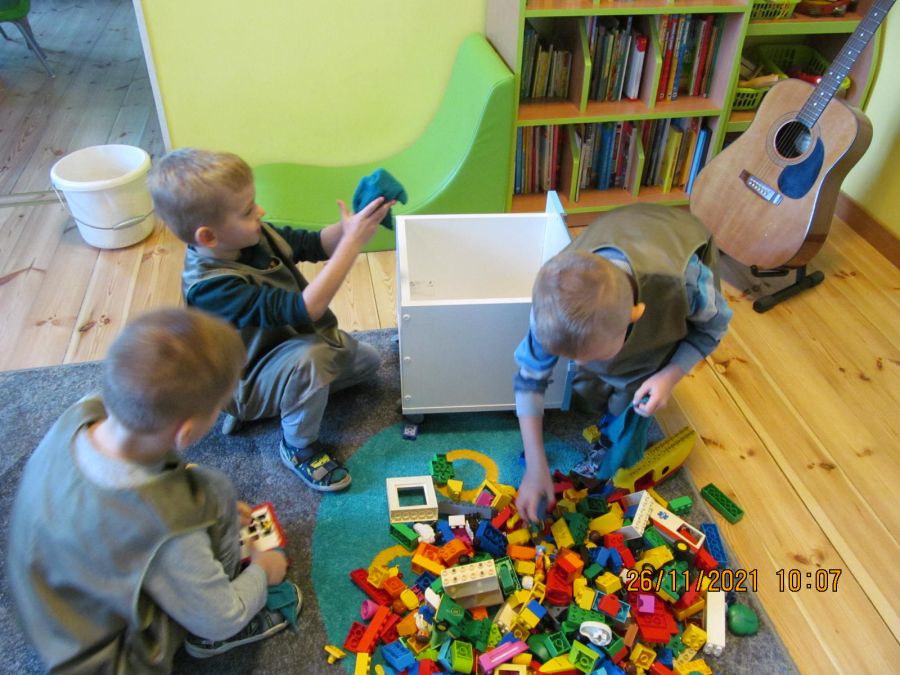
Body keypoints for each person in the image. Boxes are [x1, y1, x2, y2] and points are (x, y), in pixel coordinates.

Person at [7, 308, 301, 673]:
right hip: (106, 661)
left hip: (48, 602)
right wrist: (261, 570)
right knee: (210, 495)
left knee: (207, 491)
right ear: (186, 432)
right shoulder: (168, 530)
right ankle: (205, 643)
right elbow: (222, 617)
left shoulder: (84, 411)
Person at [149, 148, 395, 492]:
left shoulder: (252, 236)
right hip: (244, 380)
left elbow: (314, 244)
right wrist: (352, 245)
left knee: (367, 361)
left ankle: (290, 395)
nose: (260, 212)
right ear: (209, 237)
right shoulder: (212, 287)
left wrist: (350, 226)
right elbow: (307, 308)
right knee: (312, 360)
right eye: (248, 210)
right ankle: (297, 446)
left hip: (286, 348)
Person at [514, 204, 732, 522]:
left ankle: (615, 437)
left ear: (635, 315)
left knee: (634, 395)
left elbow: (712, 329)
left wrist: (669, 376)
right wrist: (535, 466)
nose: (579, 363)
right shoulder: (551, 300)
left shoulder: (686, 283)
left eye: (594, 354)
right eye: (570, 357)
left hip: (680, 250)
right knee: (590, 386)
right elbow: (529, 380)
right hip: (622, 230)